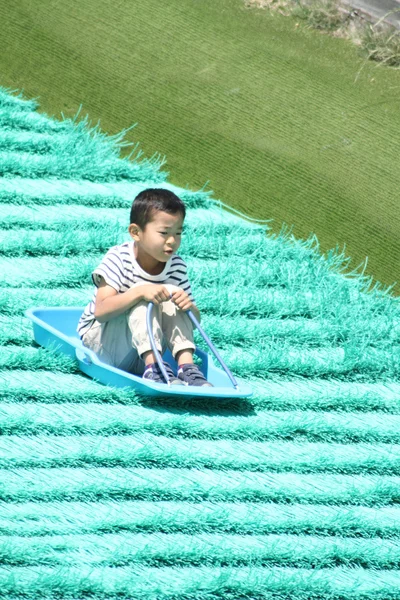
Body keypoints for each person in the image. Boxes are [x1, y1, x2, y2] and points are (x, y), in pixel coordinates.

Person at [77, 188, 213, 387]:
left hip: (144, 350)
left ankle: (187, 368)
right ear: (136, 232)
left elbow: (194, 322)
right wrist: (139, 291)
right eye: (164, 233)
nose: (172, 241)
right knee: (143, 298)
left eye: (178, 233)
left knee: (174, 299)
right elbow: (101, 312)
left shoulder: (176, 265)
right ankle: (154, 367)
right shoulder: (119, 258)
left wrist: (189, 306)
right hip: (103, 344)